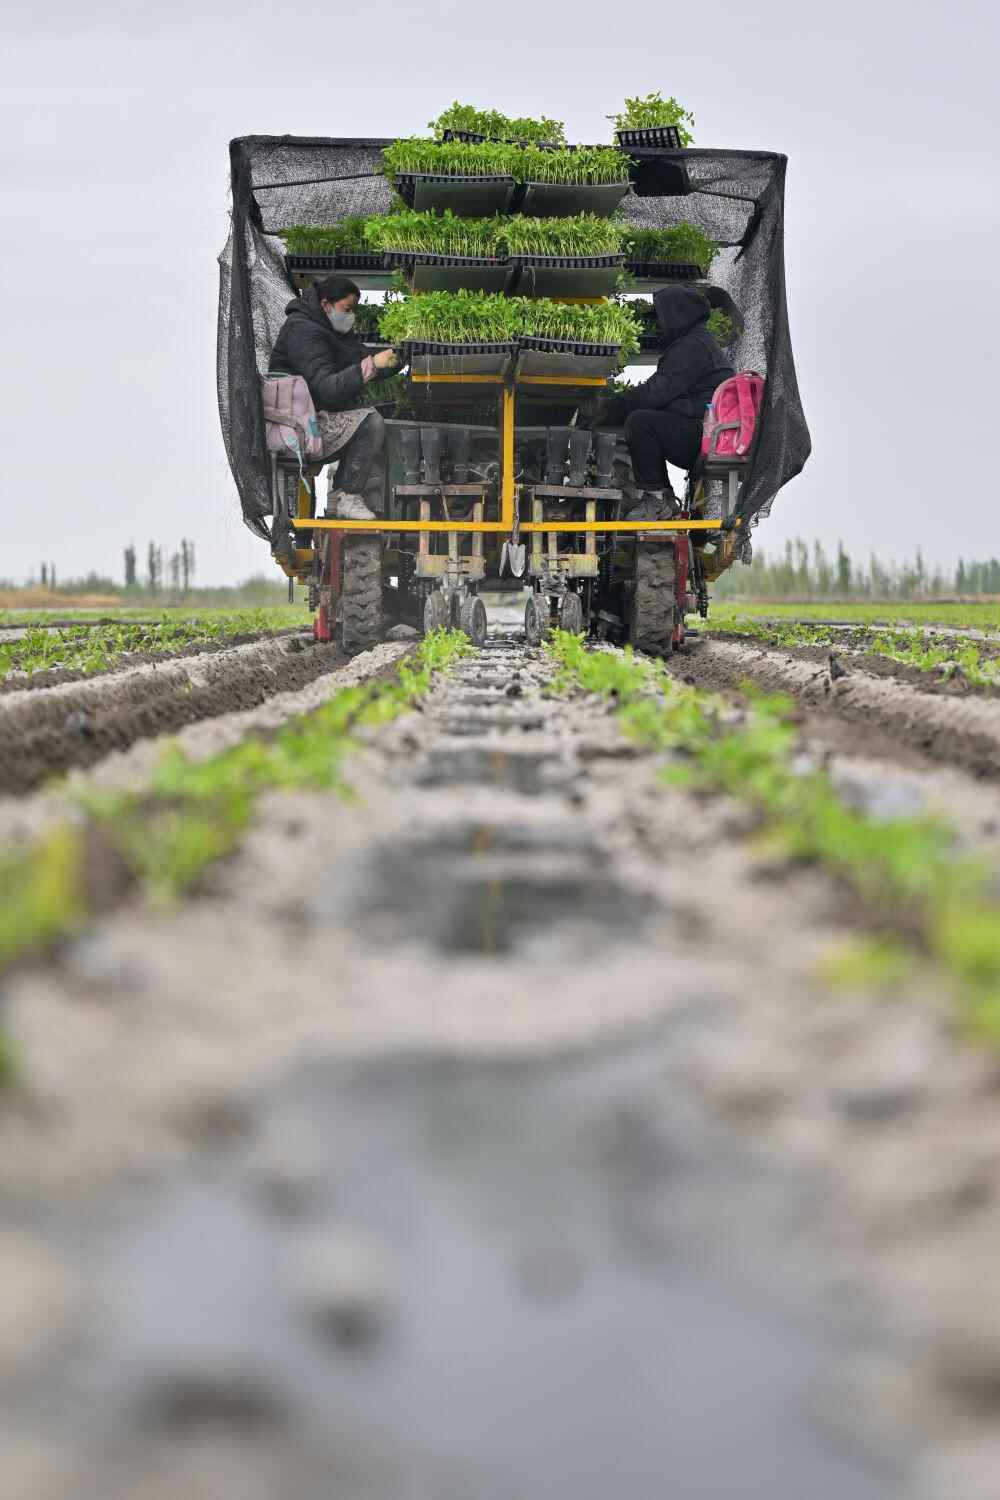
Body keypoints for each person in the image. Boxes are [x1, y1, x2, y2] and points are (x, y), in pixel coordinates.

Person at [268, 274, 400, 520]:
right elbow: (327, 388)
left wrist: (399, 356)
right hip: (298, 427)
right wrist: (371, 365)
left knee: (368, 418)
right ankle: (346, 497)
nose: (351, 316)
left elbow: (359, 359)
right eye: (347, 309)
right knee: (370, 423)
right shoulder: (303, 331)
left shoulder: (331, 329)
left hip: (313, 417)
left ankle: (344, 497)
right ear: (326, 304)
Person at [601, 285, 735, 520]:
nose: (660, 325)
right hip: (711, 432)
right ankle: (661, 498)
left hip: (704, 435)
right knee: (648, 417)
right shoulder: (700, 341)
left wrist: (610, 407)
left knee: (640, 422)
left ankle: (657, 499)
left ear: (678, 315)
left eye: (663, 317)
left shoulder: (691, 347)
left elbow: (655, 393)